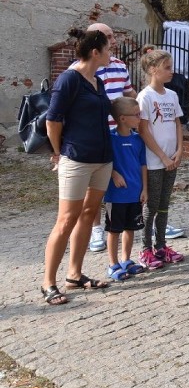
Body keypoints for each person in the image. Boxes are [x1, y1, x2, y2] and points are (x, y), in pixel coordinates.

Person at [42, 28, 114, 305]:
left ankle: (74, 275)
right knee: (66, 220)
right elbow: (53, 120)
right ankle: (48, 283)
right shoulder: (69, 79)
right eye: (108, 49)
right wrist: (58, 153)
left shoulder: (98, 81)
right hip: (76, 157)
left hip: (102, 159)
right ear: (95, 52)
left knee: (89, 213)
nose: (111, 53)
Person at [84, 23, 137, 253]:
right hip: (97, 132)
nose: (113, 40)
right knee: (94, 183)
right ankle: (96, 228)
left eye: (113, 35)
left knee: (123, 175)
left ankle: (124, 219)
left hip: (121, 130)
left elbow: (129, 92)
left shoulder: (119, 65)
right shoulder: (83, 68)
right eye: (107, 37)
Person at [136, 49, 185, 268]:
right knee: (152, 205)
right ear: (153, 70)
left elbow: (177, 123)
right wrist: (163, 157)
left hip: (171, 159)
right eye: (167, 68)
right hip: (155, 161)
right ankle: (146, 249)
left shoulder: (172, 95)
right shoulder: (145, 96)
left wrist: (180, 149)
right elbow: (144, 130)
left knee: (164, 204)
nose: (171, 71)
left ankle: (162, 245)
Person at [103, 97, 148, 280]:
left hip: (135, 193)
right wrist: (114, 173)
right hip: (116, 195)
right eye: (136, 115)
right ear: (122, 118)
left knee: (130, 228)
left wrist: (145, 188)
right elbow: (104, 161)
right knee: (114, 230)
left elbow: (143, 165)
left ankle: (126, 260)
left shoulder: (138, 139)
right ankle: (112, 264)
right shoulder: (110, 139)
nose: (140, 118)